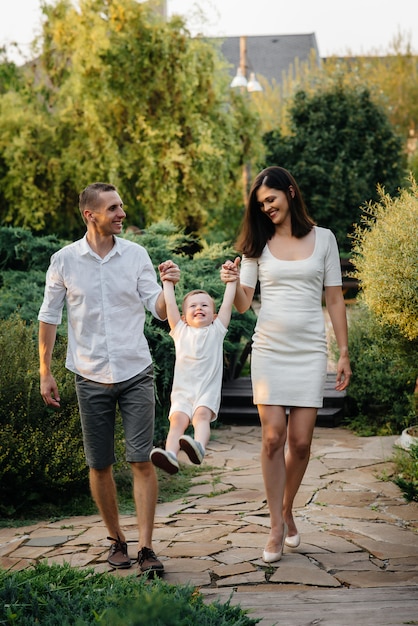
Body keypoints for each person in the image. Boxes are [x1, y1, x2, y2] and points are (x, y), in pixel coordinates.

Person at [38, 182, 180, 577]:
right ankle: (117, 538)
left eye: (121, 206)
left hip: (135, 370)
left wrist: (169, 284)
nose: (122, 213)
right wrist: (45, 371)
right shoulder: (64, 260)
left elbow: (157, 308)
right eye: (113, 208)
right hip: (88, 374)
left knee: (141, 459)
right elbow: (49, 317)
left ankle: (147, 547)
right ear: (91, 215)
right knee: (99, 464)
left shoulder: (136, 255)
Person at [220, 166, 351, 563]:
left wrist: (343, 352)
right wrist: (230, 281)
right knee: (273, 437)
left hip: (310, 350)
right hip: (270, 349)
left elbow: (334, 298)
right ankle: (276, 525)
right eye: (261, 204)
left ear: (290, 192)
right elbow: (244, 303)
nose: (267, 208)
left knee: (301, 442)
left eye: (271, 199)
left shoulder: (324, 239)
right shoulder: (255, 244)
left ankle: (286, 507)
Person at [149, 265, 237, 475]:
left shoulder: (217, 330)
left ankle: (198, 447)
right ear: (183, 316)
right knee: (177, 422)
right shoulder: (180, 330)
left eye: (205, 305)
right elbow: (169, 305)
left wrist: (232, 282)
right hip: (182, 392)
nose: (199, 308)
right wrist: (168, 283)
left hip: (206, 390)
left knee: (201, 417)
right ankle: (170, 455)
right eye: (193, 306)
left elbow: (227, 304)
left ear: (214, 315)